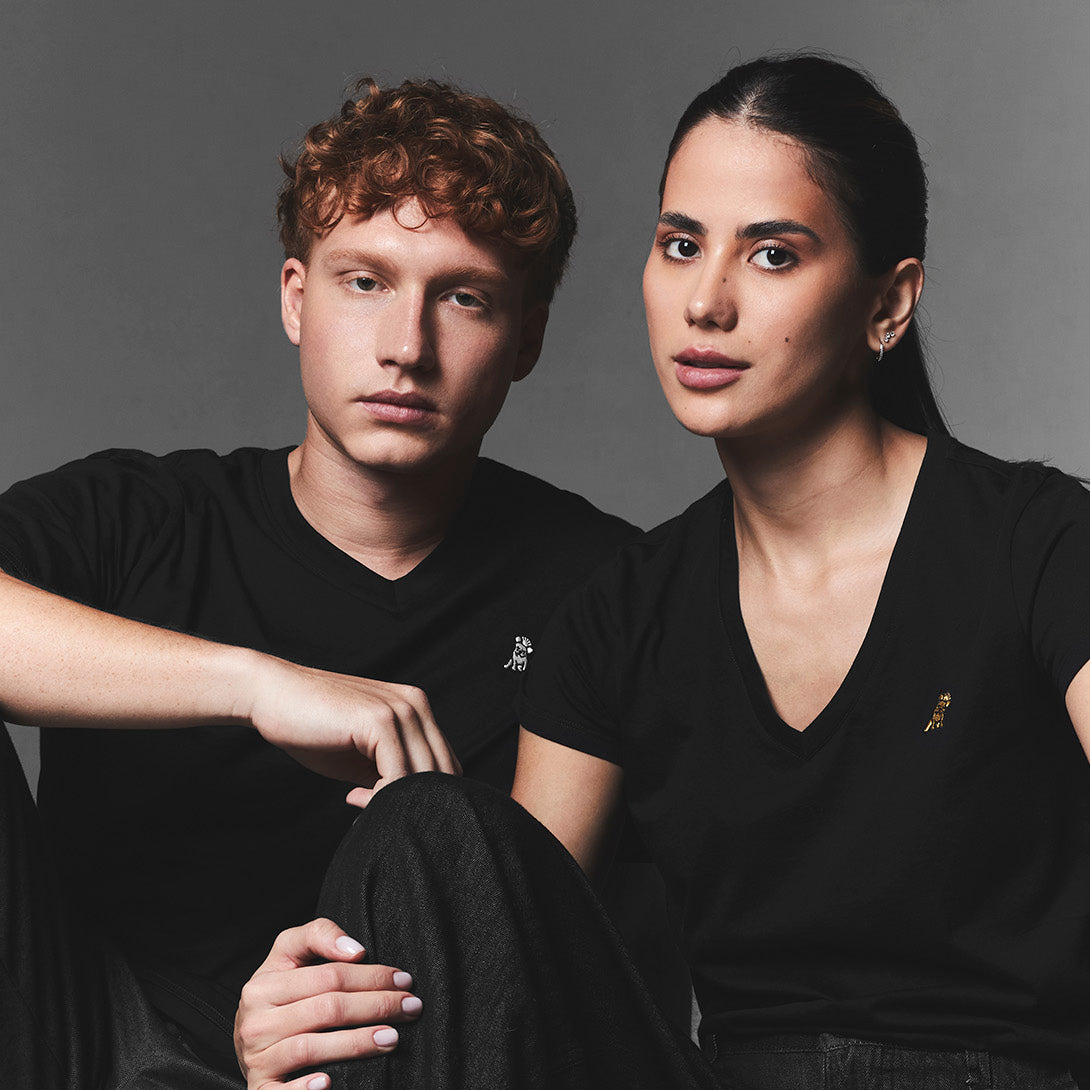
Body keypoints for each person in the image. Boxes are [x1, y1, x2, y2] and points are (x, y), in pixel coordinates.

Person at [235, 54, 1090, 1090]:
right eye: (681, 246)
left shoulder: (1038, 544)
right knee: (426, 827)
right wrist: (310, 1010)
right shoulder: (619, 616)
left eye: (771, 255)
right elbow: (499, 944)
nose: (706, 302)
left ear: (888, 302)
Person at [0, 78, 683, 1088]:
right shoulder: (139, 519)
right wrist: (255, 684)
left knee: (438, 831)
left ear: (526, 337)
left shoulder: (606, 586)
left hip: (403, 1055)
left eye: (464, 297)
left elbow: (597, 962)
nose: (406, 347)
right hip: (99, 1046)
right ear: (296, 298)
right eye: (365, 281)